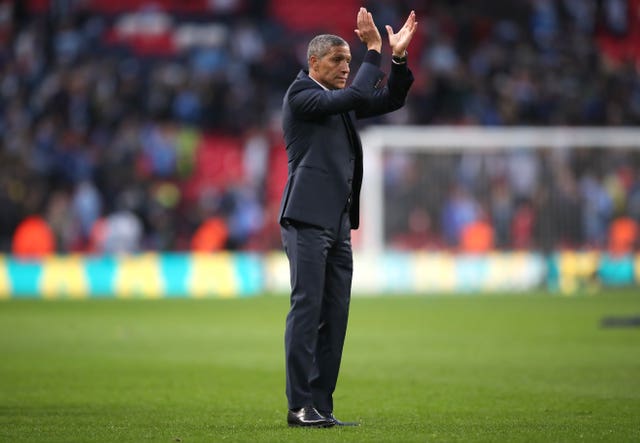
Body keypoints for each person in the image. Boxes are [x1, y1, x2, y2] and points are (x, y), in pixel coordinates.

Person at [278, 7, 418, 428]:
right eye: (338, 61)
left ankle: (321, 406)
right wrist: (373, 49)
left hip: (337, 224)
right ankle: (299, 405)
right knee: (307, 309)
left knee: (335, 316)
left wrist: (396, 59)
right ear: (313, 63)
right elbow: (356, 96)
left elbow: (390, 98)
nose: (346, 67)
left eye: (349, 61)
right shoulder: (302, 96)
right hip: (306, 219)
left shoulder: (336, 103)